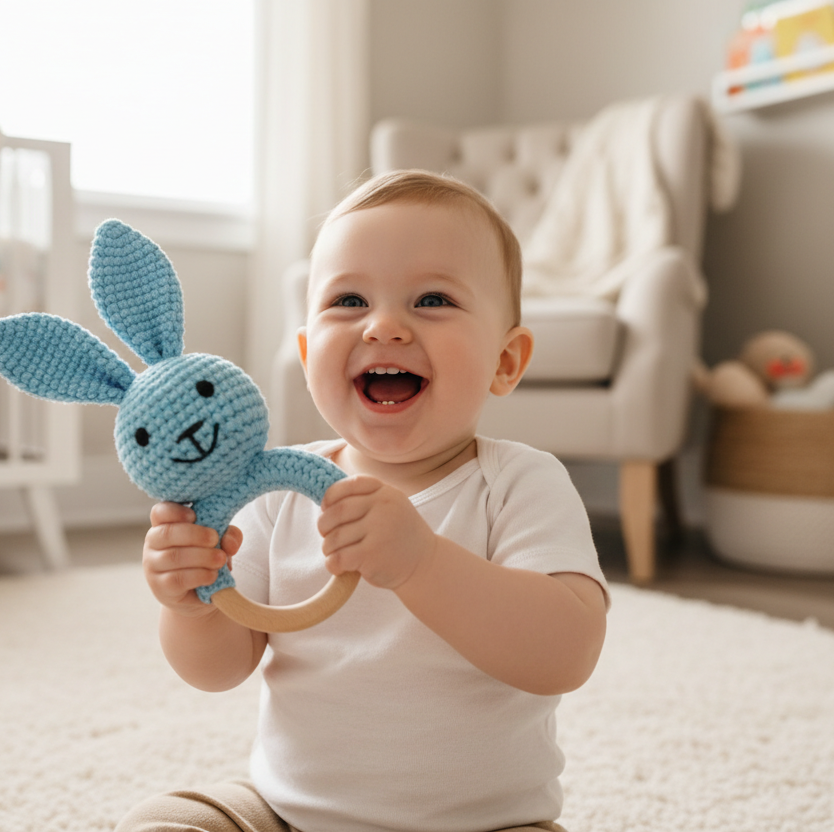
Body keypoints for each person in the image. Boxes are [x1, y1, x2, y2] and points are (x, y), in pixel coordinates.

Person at [122, 170, 609, 832]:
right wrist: (189, 602)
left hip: (485, 823)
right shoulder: (277, 493)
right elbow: (219, 668)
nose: (384, 326)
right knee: (164, 821)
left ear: (506, 360)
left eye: (432, 299)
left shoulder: (520, 482)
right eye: (348, 300)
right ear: (305, 353)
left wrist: (423, 563)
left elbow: (566, 652)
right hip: (288, 814)